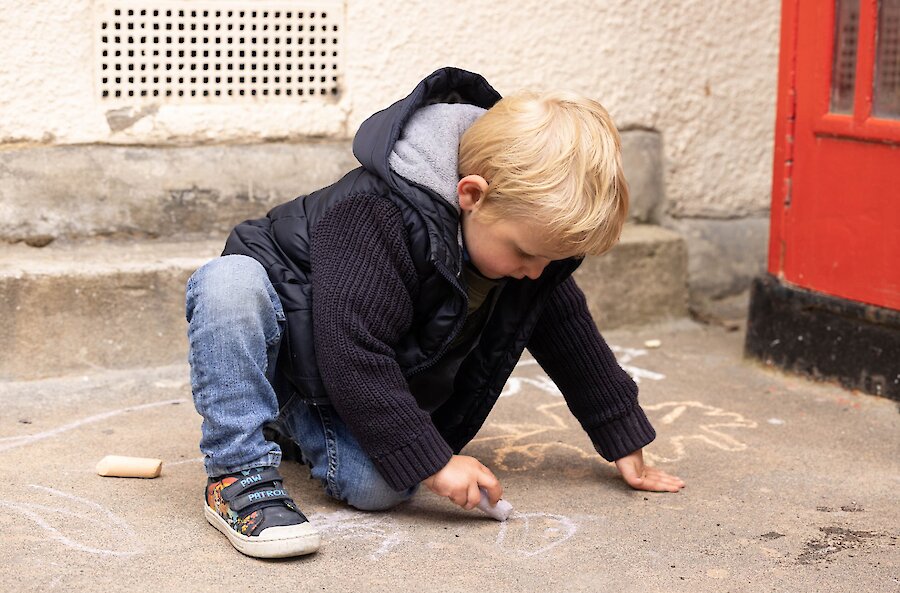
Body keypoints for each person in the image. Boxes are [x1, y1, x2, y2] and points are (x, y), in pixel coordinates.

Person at [185, 66, 685, 559]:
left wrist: (620, 434)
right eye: (528, 255)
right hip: (295, 344)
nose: (536, 272)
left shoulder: (521, 249)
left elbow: (569, 335)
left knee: (379, 487)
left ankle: (290, 425)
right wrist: (437, 464)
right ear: (472, 195)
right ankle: (238, 468)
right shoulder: (374, 212)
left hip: (343, 370)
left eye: (552, 262)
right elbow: (352, 347)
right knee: (229, 284)